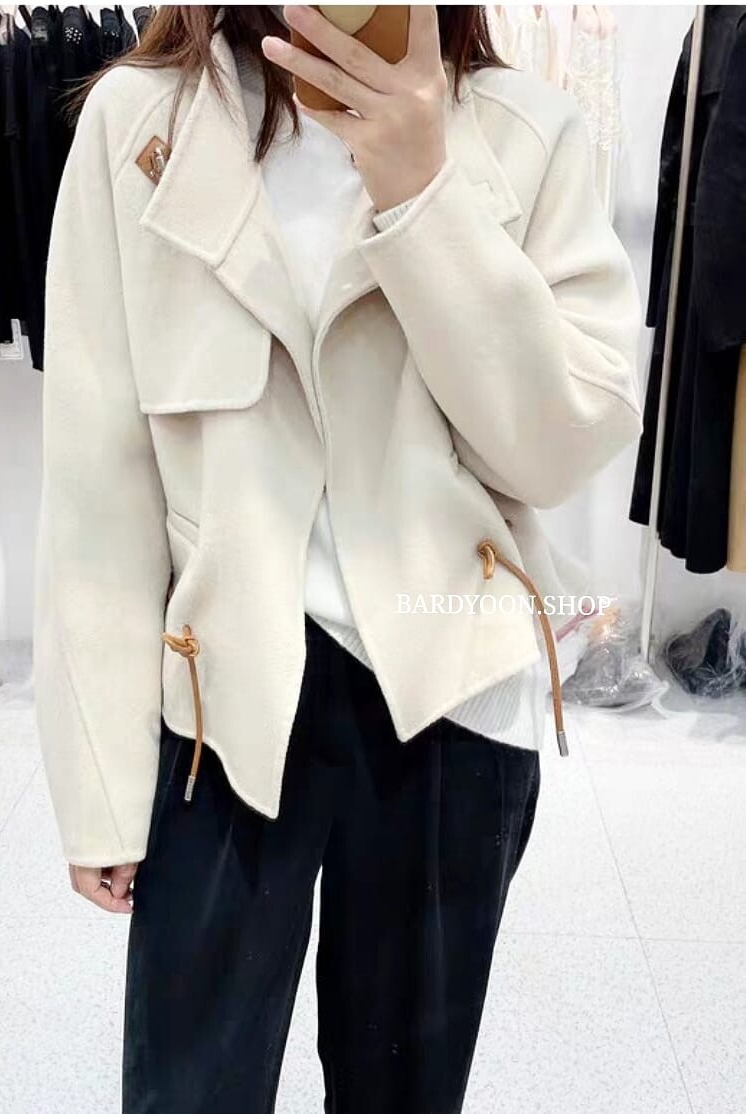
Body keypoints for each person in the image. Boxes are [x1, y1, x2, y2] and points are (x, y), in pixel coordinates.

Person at [32, 6, 643, 1112]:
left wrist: (424, 193)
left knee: (402, 1090)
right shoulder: (140, 124)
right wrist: (99, 785)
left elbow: (561, 447)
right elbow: (97, 487)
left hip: (449, 699)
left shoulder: (525, 130)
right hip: (218, 709)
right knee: (190, 1090)